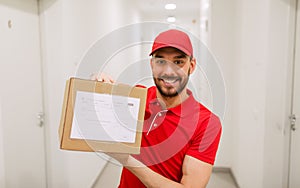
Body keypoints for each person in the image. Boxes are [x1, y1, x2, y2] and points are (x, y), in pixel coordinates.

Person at [94, 29, 222, 188]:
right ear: (152, 65)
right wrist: (96, 86)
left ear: (192, 65)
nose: (168, 72)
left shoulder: (207, 123)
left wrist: (126, 159)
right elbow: (96, 113)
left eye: (178, 62)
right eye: (161, 61)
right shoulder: (137, 98)